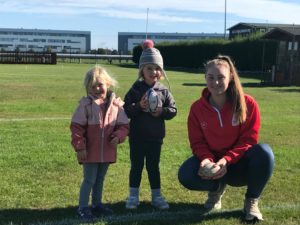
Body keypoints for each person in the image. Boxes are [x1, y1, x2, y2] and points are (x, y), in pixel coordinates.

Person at [178, 55, 274, 221]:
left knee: (265, 153)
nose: (215, 82)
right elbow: (197, 142)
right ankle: (216, 189)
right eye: (211, 77)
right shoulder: (197, 108)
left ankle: (252, 201)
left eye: (221, 77)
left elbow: (248, 141)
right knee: (186, 174)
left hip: (238, 166)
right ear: (205, 78)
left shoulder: (247, 103)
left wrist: (225, 161)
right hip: (213, 165)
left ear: (230, 77)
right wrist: (207, 161)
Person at [70, 65, 129, 220]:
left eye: (100, 85)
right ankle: (83, 207)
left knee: (100, 179)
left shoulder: (116, 105)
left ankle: (96, 204)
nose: (97, 88)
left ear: (108, 84)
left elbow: (124, 125)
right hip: (89, 152)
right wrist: (80, 146)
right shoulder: (86, 106)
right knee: (89, 179)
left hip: (107, 151)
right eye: (93, 86)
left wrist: (119, 136)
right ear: (88, 88)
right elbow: (77, 127)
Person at [123, 40, 177, 210]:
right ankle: (133, 196)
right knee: (136, 166)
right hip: (137, 137)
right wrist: (139, 106)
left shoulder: (164, 90)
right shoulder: (136, 89)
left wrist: (161, 112)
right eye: (149, 68)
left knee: (153, 167)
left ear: (161, 71)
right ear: (142, 70)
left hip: (155, 138)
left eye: (157, 68)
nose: (153, 72)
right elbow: (125, 109)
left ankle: (156, 196)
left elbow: (173, 110)